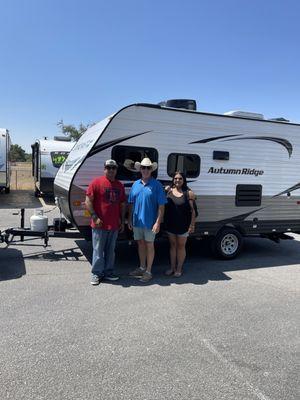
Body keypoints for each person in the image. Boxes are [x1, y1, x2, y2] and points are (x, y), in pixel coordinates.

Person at [85, 159, 126, 285]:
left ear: (116, 170)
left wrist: (122, 220)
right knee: (98, 250)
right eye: (109, 168)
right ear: (104, 169)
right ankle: (96, 274)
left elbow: (122, 204)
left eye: (114, 168)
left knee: (110, 251)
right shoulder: (96, 183)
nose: (111, 170)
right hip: (99, 225)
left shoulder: (119, 185)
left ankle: (108, 272)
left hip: (113, 225)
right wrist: (94, 216)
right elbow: (88, 200)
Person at [128, 157, 167, 282]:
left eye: (148, 168)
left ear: (151, 170)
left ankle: (148, 271)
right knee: (140, 244)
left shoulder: (157, 185)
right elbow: (131, 204)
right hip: (137, 222)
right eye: (143, 167)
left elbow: (161, 205)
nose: (145, 170)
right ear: (140, 169)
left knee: (150, 245)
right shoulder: (135, 184)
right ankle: (142, 267)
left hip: (150, 222)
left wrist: (158, 222)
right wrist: (129, 219)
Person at [164, 171, 196, 277]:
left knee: (181, 246)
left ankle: (179, 269)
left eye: (180, 178)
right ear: (173, 180)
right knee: (172, 246)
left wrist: (192, 225)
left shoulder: (188, 193)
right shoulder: (168, 191)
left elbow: (193, 211)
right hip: (170, 224)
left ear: (184, 180)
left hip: (183, 225)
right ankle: (172, 268)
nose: (177, 180)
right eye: (176, 178)